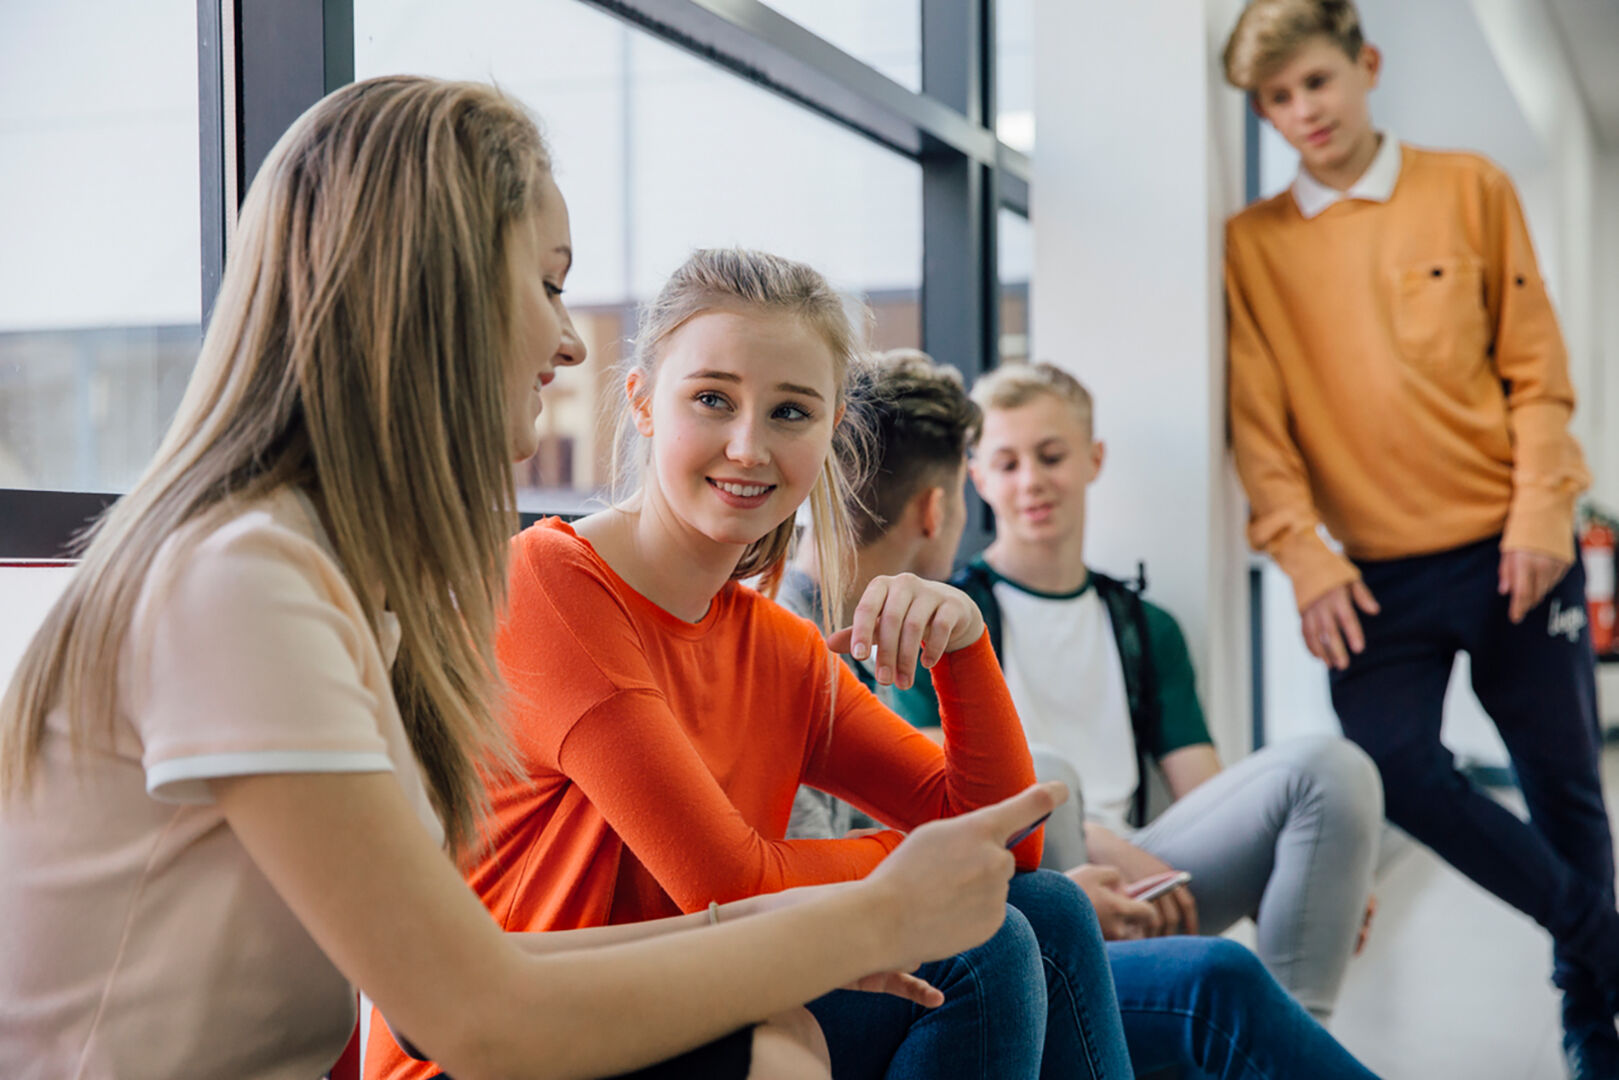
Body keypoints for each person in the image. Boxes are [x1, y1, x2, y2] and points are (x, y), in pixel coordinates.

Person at [0, 76, 1064, 1080]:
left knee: (902, 979)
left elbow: (464, 971)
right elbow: (471, 1016)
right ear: (436, 288)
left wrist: (811, 928)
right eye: (548, 284)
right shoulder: (244, 584)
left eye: (790, 410)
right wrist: (867, 914)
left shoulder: (322, 579)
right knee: (874, 997)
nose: (565, 340)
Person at [366, 247, 1146, 1080]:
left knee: (1047, 909)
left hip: (690, 1012)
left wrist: (964, 649)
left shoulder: (776, 647)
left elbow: (1010, 842)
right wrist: (918, 874)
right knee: (981, 943)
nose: (747, 447)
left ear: (829, 429)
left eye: (789, 413)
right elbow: (727, 886)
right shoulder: (553, 586)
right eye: (711, 400)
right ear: (642, 402)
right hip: (516, 1041)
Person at [783, 349, 1382, 1079]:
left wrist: (1318, 869)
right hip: (1013, 894)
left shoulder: (1136, 624)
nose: (1030, 481)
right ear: (954, 497)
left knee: (1327, 771)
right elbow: (926, 829)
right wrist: (1078, 864)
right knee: (1133, 922)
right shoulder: (914, 622)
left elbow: (1206, 791)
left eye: (1050, 455)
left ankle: (1289, 1032)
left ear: (1092, 460)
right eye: (1005, 464)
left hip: (1100, 873)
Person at [1221, 0, 1619, 1071]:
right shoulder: (1249, 249)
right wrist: (1302, 556)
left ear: (1365, 66)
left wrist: (1540, 516)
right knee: (1389, 765)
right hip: (1369, 577)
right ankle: (1598, 937)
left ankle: (1590, 1021)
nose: (1299, 111)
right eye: (1273, 99)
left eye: (1314, 82)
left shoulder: (1468, 187)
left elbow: (1537, 377)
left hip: (1510, 548)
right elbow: (1258, 431)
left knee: (1564, 789)